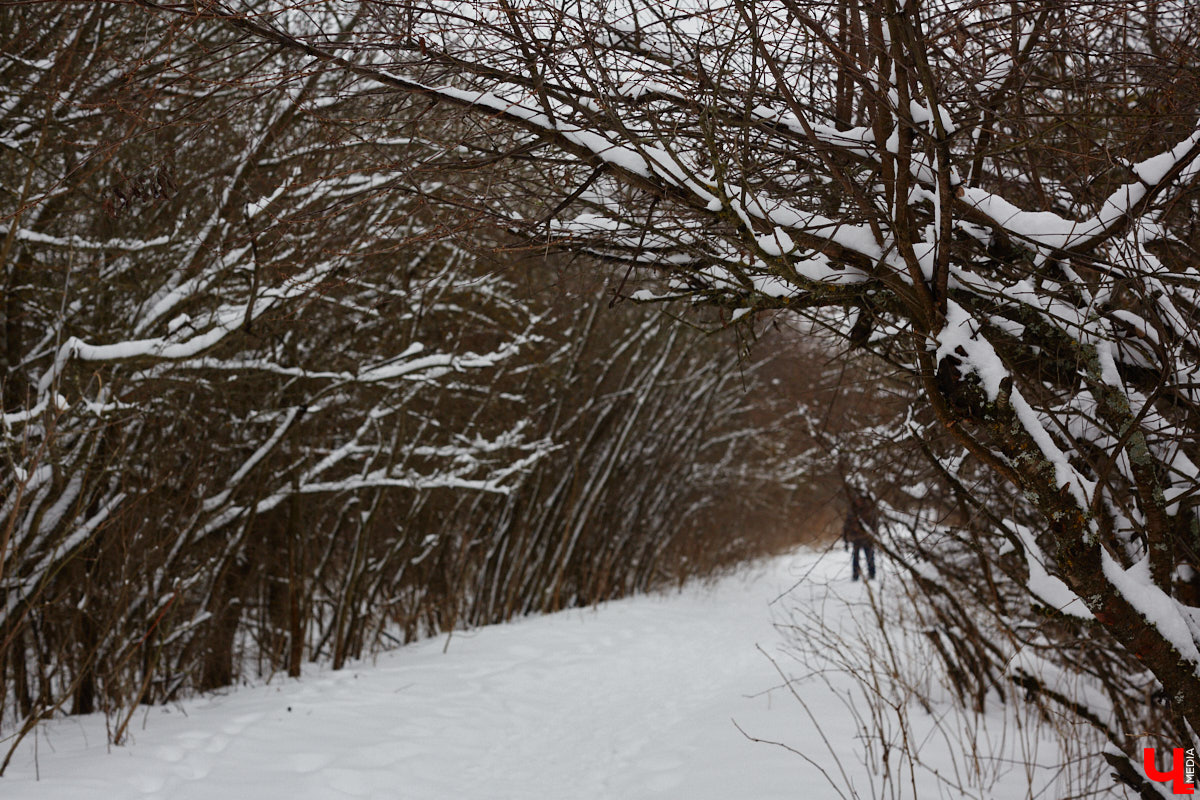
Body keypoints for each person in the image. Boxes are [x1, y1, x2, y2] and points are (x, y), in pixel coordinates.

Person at [843, 491, 877, 581]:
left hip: (867, 538)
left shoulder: (868, 510)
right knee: (855, 558)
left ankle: (872, 573)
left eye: (860, 500)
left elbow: (874, 523)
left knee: (869, 556)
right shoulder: (852, 511)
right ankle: (855, 575)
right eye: (857, 500)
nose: (858, 502)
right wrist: (845, 540)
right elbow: (846, 525)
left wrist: (874, 536)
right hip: (856, 538)